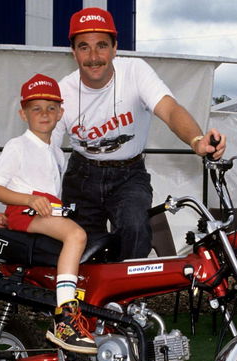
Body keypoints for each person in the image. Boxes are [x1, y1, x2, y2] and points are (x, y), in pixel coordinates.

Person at [50, 7, 227, 260]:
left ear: (114, 48)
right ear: (73, 52)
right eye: (83, 47)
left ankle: (127, 299)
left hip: (128, 175)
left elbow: (169, 109)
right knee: (82, 250)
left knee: (136, 229)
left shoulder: (135, 71)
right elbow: (46, 150)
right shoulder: (62, 91)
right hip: (82, 176)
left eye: (101, 45)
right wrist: (25, 202)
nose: (93, 56)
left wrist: (197, 140)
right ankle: (89, 299)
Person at [0, 73, 96, 355]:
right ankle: (65, 317)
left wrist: (12, 210)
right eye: (36, 108)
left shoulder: (57, 153)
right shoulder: (17, 146)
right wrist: (22, 204)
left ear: (61, 113)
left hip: (41, 212)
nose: (44, 114)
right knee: (76, 234)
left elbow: (23, 184)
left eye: (51, 108)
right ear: (23, 114)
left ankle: (84, 309)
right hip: (28, 211)